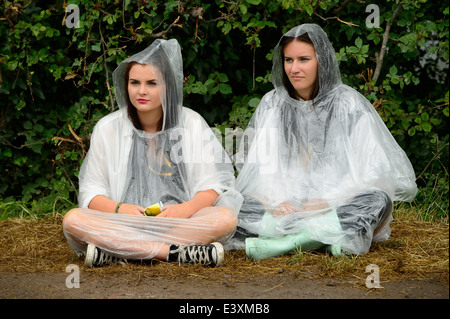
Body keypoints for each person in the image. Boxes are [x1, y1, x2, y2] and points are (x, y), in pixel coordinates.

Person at [227, 24, 417, 259]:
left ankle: (284, 243)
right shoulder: (272, 104)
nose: (294, 69)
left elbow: (374, 171)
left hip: (335, 207)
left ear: (322, 61)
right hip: (285, 208)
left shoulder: (349, 104)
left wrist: (326, 201)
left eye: (303, 59)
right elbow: (258, 169)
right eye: (288, 60)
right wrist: (277, 202)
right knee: (234, 203)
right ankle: (326, 238)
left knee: (378, 200)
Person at [63, 39, 243, 267]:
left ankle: (120, 252)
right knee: (73, 219)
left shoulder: (191, 123)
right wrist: (121, 209)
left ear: (168, 85)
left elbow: (213, 185)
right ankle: (172, 253)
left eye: (151, 83)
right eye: (134, 82)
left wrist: (183, 210)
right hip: (123, 222)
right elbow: (91, 193)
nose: (141, 91)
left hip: (179, 221)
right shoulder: (108, 128)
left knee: (224, 218)